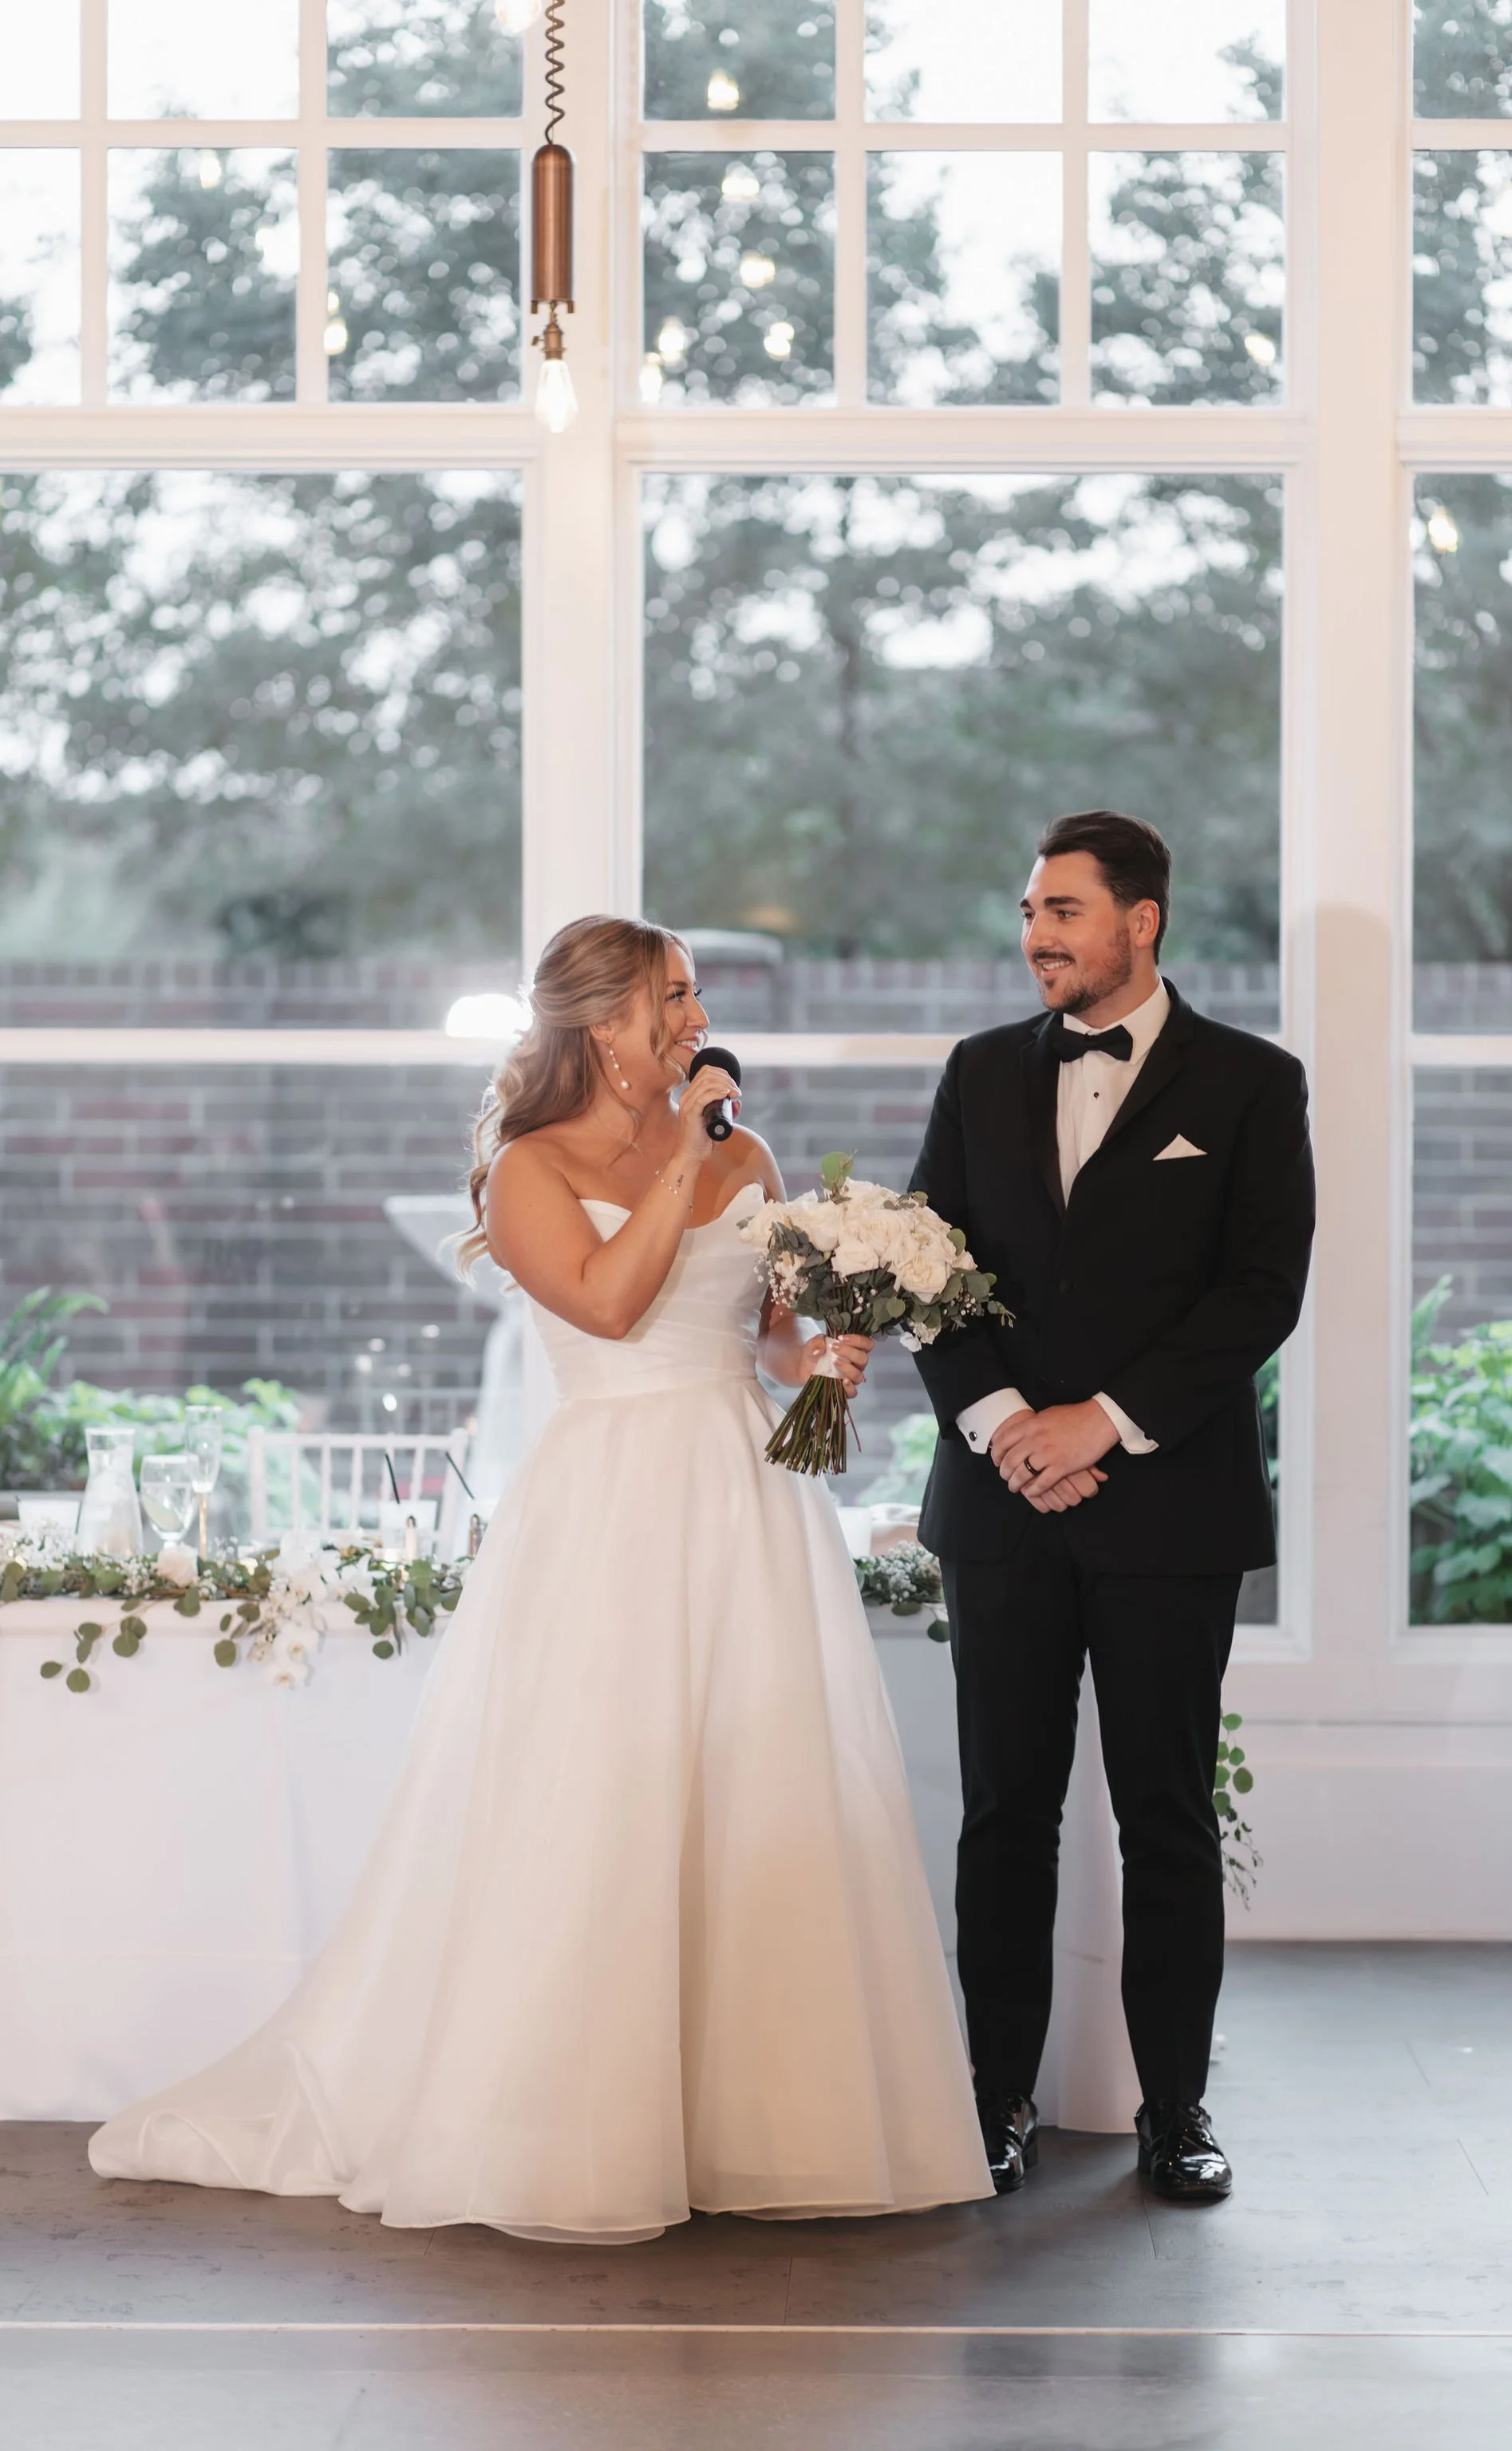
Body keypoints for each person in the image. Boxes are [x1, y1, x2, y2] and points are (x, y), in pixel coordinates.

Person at [90, 915, 992, 2241]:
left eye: (692, 995)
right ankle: (579, 2122)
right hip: (613, 1504)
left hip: (747, 1498)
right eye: (667, 997)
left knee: (757, 1781)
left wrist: (825, 1362)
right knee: (607, 1792)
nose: (694, 1017)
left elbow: (766, 1340)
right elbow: (615, 1308)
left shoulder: (748, 1150)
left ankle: (752, 2117)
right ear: (599, 1021)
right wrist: (683, 1155)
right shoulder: (530, 1168)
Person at [909, 811, 1314, 2204]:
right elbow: (921, 1272)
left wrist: (1108, 1422)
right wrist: (1013, 1427)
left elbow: (1262, 1293)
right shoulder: (974, 1075)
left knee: (1165, 1817)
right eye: (1030, 910)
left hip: (1170, 1511)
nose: (1037, 935)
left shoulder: (1257, 1084)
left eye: (1065, 910)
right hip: (1002, 1500)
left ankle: (1178, 2114)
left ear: (1141, 920)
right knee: (1003, 1815)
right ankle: (993, 2104)